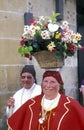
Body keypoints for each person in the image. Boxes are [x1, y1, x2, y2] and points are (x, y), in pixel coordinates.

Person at [8, 70, 84, 130]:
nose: (48, 85)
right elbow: (16, 121)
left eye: (52, 82)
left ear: (59, 85)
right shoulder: (31, 103)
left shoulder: (70, 104)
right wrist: (11, 106)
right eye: (45, 81)